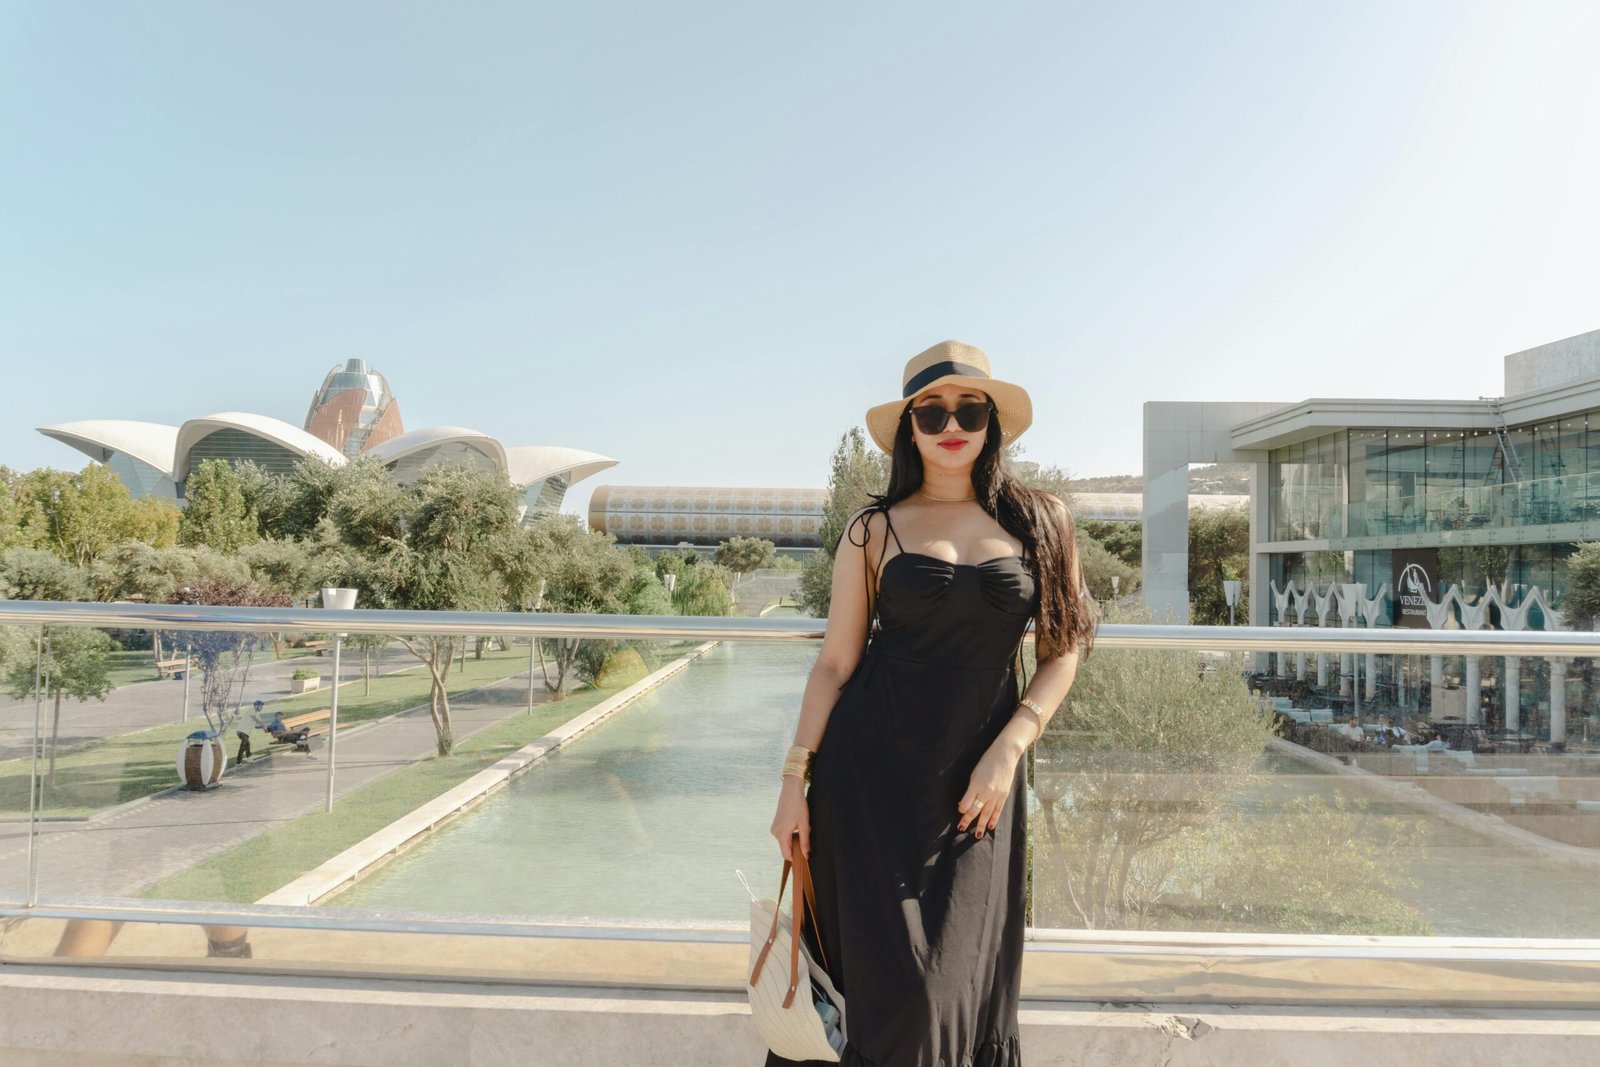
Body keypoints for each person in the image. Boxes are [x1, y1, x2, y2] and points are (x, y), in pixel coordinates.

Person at [765, 341, 1097, 1067]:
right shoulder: (873, 528)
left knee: (950, 988)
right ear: (910, 428)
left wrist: (1011, 748)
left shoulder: (1043, 523)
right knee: (896, 1001)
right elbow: (834, 664)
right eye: (932, 411)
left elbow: (1063, 651)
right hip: (867, 783)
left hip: (978, 792)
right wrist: (794, 782)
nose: (952, 423)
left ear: (992, 423)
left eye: (969, 408)